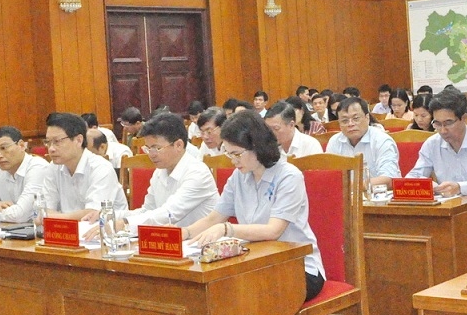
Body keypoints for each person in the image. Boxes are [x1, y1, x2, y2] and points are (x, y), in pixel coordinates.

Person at [182, 111, 326, 302]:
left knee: (244, 296)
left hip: (297, 267)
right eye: (228, 153)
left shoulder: (288, 176)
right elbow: (214, 218)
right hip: (254, 263)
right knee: (214, 293)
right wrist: (183, 234)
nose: (233, 160)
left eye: (236, 154)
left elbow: (273, 230)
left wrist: (227, 229)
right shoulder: (238, 177)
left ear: (256, 146)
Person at [120, 112, 217, 230]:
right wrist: (112, 217)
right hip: (173, 242)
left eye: (157, 148)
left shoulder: (198, 173)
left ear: (178, 145)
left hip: (201, 243)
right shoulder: (160, 171)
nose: (152, 154)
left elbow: (169, 213)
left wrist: (125, 224)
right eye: (148, 148)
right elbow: (148, 211)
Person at [407, 90, 467, 196]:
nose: (443, 130)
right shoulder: (432, 144)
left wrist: (460, 188)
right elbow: (414, 176)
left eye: (448, 123)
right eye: (437, 124)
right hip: (449, 207)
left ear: (464, 118)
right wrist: (426, 184)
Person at [41, 111, 126, 220]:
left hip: (105, 232)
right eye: (48, 142)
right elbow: (45, 210)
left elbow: (92, 214)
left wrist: (54, 217)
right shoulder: (53, 167)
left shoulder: (101, 168)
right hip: (68, 232)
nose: (51, 149)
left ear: (78, 140)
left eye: (57, 141)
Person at [0, 126, 50, 223]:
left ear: (21, 145)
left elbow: (19, 215)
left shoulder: (38, 168)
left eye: (4, 148)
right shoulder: (0, 172)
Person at [326, 96, 400, 186]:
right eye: (344, 120)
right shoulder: (334, 141)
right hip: (345, 197)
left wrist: (350, 186)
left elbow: (388, 179)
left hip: (378, 197)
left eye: (356, 119)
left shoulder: (382, 140)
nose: (350, 124)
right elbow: (330, 177)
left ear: (367, 118)